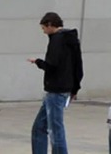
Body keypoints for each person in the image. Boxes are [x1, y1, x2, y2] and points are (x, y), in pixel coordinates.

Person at [29, 11, 82, 154]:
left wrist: (38, 62)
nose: (44, 32)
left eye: (44, 28)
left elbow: (52, 65)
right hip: (63, 88)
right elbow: (78, 65)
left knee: (55, 129)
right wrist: (75, 88)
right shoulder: (71, 39)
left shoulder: (57, 40)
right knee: (40, 126)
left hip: (56, 90)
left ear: (50, 25)